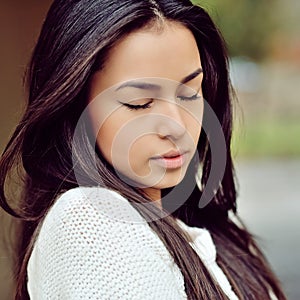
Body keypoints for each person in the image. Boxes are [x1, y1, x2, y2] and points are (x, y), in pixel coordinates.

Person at [0, 0, 287, 299]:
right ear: (75, 107)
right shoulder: (90, 221)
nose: (176, 126)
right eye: (140, 103)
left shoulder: (200, 221)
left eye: (189, 93)